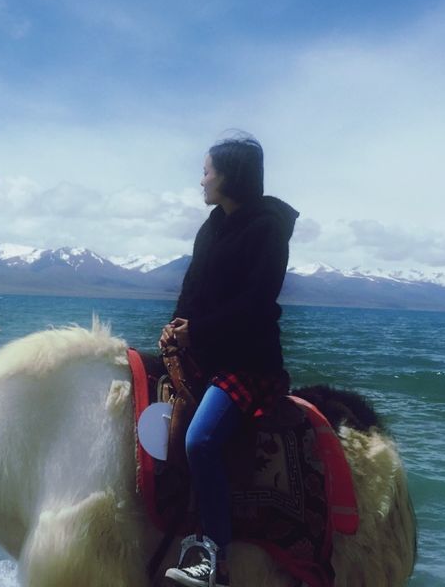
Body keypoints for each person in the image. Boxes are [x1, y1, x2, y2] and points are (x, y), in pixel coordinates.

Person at [162, 134, 298, 587]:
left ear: (228, 176)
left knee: (200, 441)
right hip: (203, 353)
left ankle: (211, 556)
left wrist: (197, 330)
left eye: (206, 171)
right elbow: (191, 288)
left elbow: (257, 301)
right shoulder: (212, 226)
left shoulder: (268, 229)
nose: (200, 180)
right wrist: (175, 328)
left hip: (247, 362)